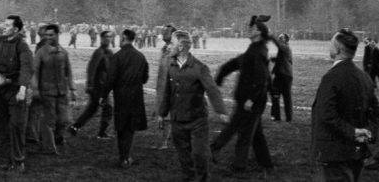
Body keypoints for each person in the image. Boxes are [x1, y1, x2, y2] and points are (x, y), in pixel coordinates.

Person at [311, 29, 379, 181]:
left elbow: (326, 115)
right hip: (357, 151)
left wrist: (353, 132)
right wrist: (368, 133)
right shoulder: (364, 77)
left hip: (335, 152)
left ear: (338, 49)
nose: (329, 47)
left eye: (331, 44)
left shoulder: (331, 77)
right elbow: (377, 113)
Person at [158, 29, 227, 181]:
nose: (169, 46)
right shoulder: (171, 66)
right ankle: (188, 178)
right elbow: (167, 93)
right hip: (177, 120)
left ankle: (202, 179)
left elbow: (212, 90)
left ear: (181, 47)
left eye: (172, 43)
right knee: (184, 156)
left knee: (199, 155)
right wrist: (162, 113)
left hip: (197, 121)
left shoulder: (199, 68)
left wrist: (221, 111)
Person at [211, 14, 274, 172]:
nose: (248, 29)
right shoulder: (254, 49)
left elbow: (262, 79)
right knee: (255, 133)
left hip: (251, 101)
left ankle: (238, 165)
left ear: (259, 32)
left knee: (244, 133)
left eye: (252, 28)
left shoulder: (259, 51)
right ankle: (266, 163)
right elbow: (239, 62)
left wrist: (251, 99)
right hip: (248, 100)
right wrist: (222, 73)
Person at [0, 13, 33, 172]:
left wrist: (22, 89)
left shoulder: (22, 46)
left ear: (16, 29)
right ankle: (4, 159)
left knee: (16, 125)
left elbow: (27, 68)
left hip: (15, 90)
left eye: (7, 25)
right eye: (3, 24)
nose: (3, 27)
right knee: (1, 126)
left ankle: (18, 160)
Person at [29, 23, 75, 156]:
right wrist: (36, 89)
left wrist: (72, 89)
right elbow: (34, 72)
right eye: (46, 35)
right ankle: (49, 148)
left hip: (61, 92)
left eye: (51, 35)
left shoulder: (63, 52)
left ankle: (57, 138)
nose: (48, 37)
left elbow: (69, 72)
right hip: (46, 91)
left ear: (57, 34)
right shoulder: (41, 52)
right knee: (49, 120)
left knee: (63, 119)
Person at [105, 29, 148, 168]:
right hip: (136, 96)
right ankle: (126, 157)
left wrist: (103, 95)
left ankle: (123, 157)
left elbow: (111, 79)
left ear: (123, 38)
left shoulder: (117, 57)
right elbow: (145, 78)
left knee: (121, 127)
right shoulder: (141, 56)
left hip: (121, 97)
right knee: (130, 128)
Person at [69, 29, 114, 138]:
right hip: (98, 87)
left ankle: (75, 127)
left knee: (92, 108)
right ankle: (102, 133)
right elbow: (91, 69)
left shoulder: (109, 53)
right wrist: (90, 85)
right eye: (106, 37)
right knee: (107, 108)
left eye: (110, 37)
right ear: (102, 39)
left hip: (103, 86)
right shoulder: (99, 52)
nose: (108, 39)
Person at [270, 32, 294, 122]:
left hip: (285, 76)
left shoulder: (285, 47)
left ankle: (288, 118)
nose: (279, 39)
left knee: (286, 97)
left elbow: (280, 48)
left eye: (281, 38)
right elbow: (281, 59)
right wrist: (273, 59)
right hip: (280, 75)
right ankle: (276, 117)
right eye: (279, 37)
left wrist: (270, 35)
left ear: (286, 40)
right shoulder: (284, 49)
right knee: (275, 95)